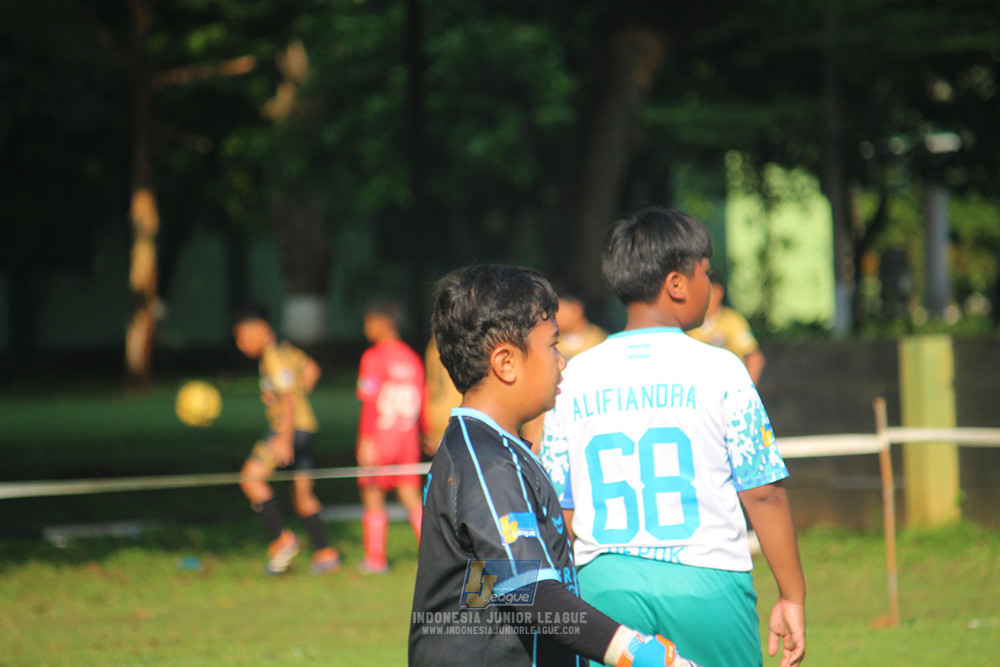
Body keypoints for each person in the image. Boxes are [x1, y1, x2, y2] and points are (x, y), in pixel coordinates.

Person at [539, 208, 806, 667]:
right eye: (706, 271)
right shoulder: (723, 369)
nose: (710, 284)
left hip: (605, 587)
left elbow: (560, 509)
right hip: (706, 587)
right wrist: (792, 595)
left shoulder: (572, 377)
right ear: (677, 284)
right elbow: (762, 494)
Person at [409, 264, 701, 667]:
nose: (562, 362)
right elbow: (532, 591)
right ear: (506, 363)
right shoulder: (486, 463)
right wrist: (639, 653)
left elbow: (496, 587)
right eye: (552, 345)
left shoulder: (497, 450)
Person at [232, 305, 341, 575]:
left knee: (250, 478)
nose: (240, 345)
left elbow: (289, 396)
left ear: (260, 330)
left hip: (287, 430)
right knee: (302, 495)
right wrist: (297, 391)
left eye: (243, 337)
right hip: (308, 427)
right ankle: (325, 553)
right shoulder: (287, 350)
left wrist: (284, 437)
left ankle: (283, 540)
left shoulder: (272, 357)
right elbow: (312, 369)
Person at [356, 299, 425, 573]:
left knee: (372, 494)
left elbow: (370, 402)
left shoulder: (373, 357)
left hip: (381, 436)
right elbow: (422, 398)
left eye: (369, 322)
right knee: (411, 497)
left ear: (384, 322)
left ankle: (375, 559)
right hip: (407, 436)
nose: (366, 329)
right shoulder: (412, 358)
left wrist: (366, 440)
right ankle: (432, 555)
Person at [686, 278, 766, 384]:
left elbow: (754, 358)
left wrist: (745, 390)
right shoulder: (691, 322)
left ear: (718, 292)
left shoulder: (731, 321)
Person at [421, 336, 462, 456]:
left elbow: (430, 387)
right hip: (458, 418)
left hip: (437, 418)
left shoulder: (433, 344)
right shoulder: (460, 340)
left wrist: (429, 428)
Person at [554, 291, 608, 361]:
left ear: (576, 308)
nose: (556, 317)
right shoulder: (554, 343)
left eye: (559, 311)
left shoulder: (599, 341)